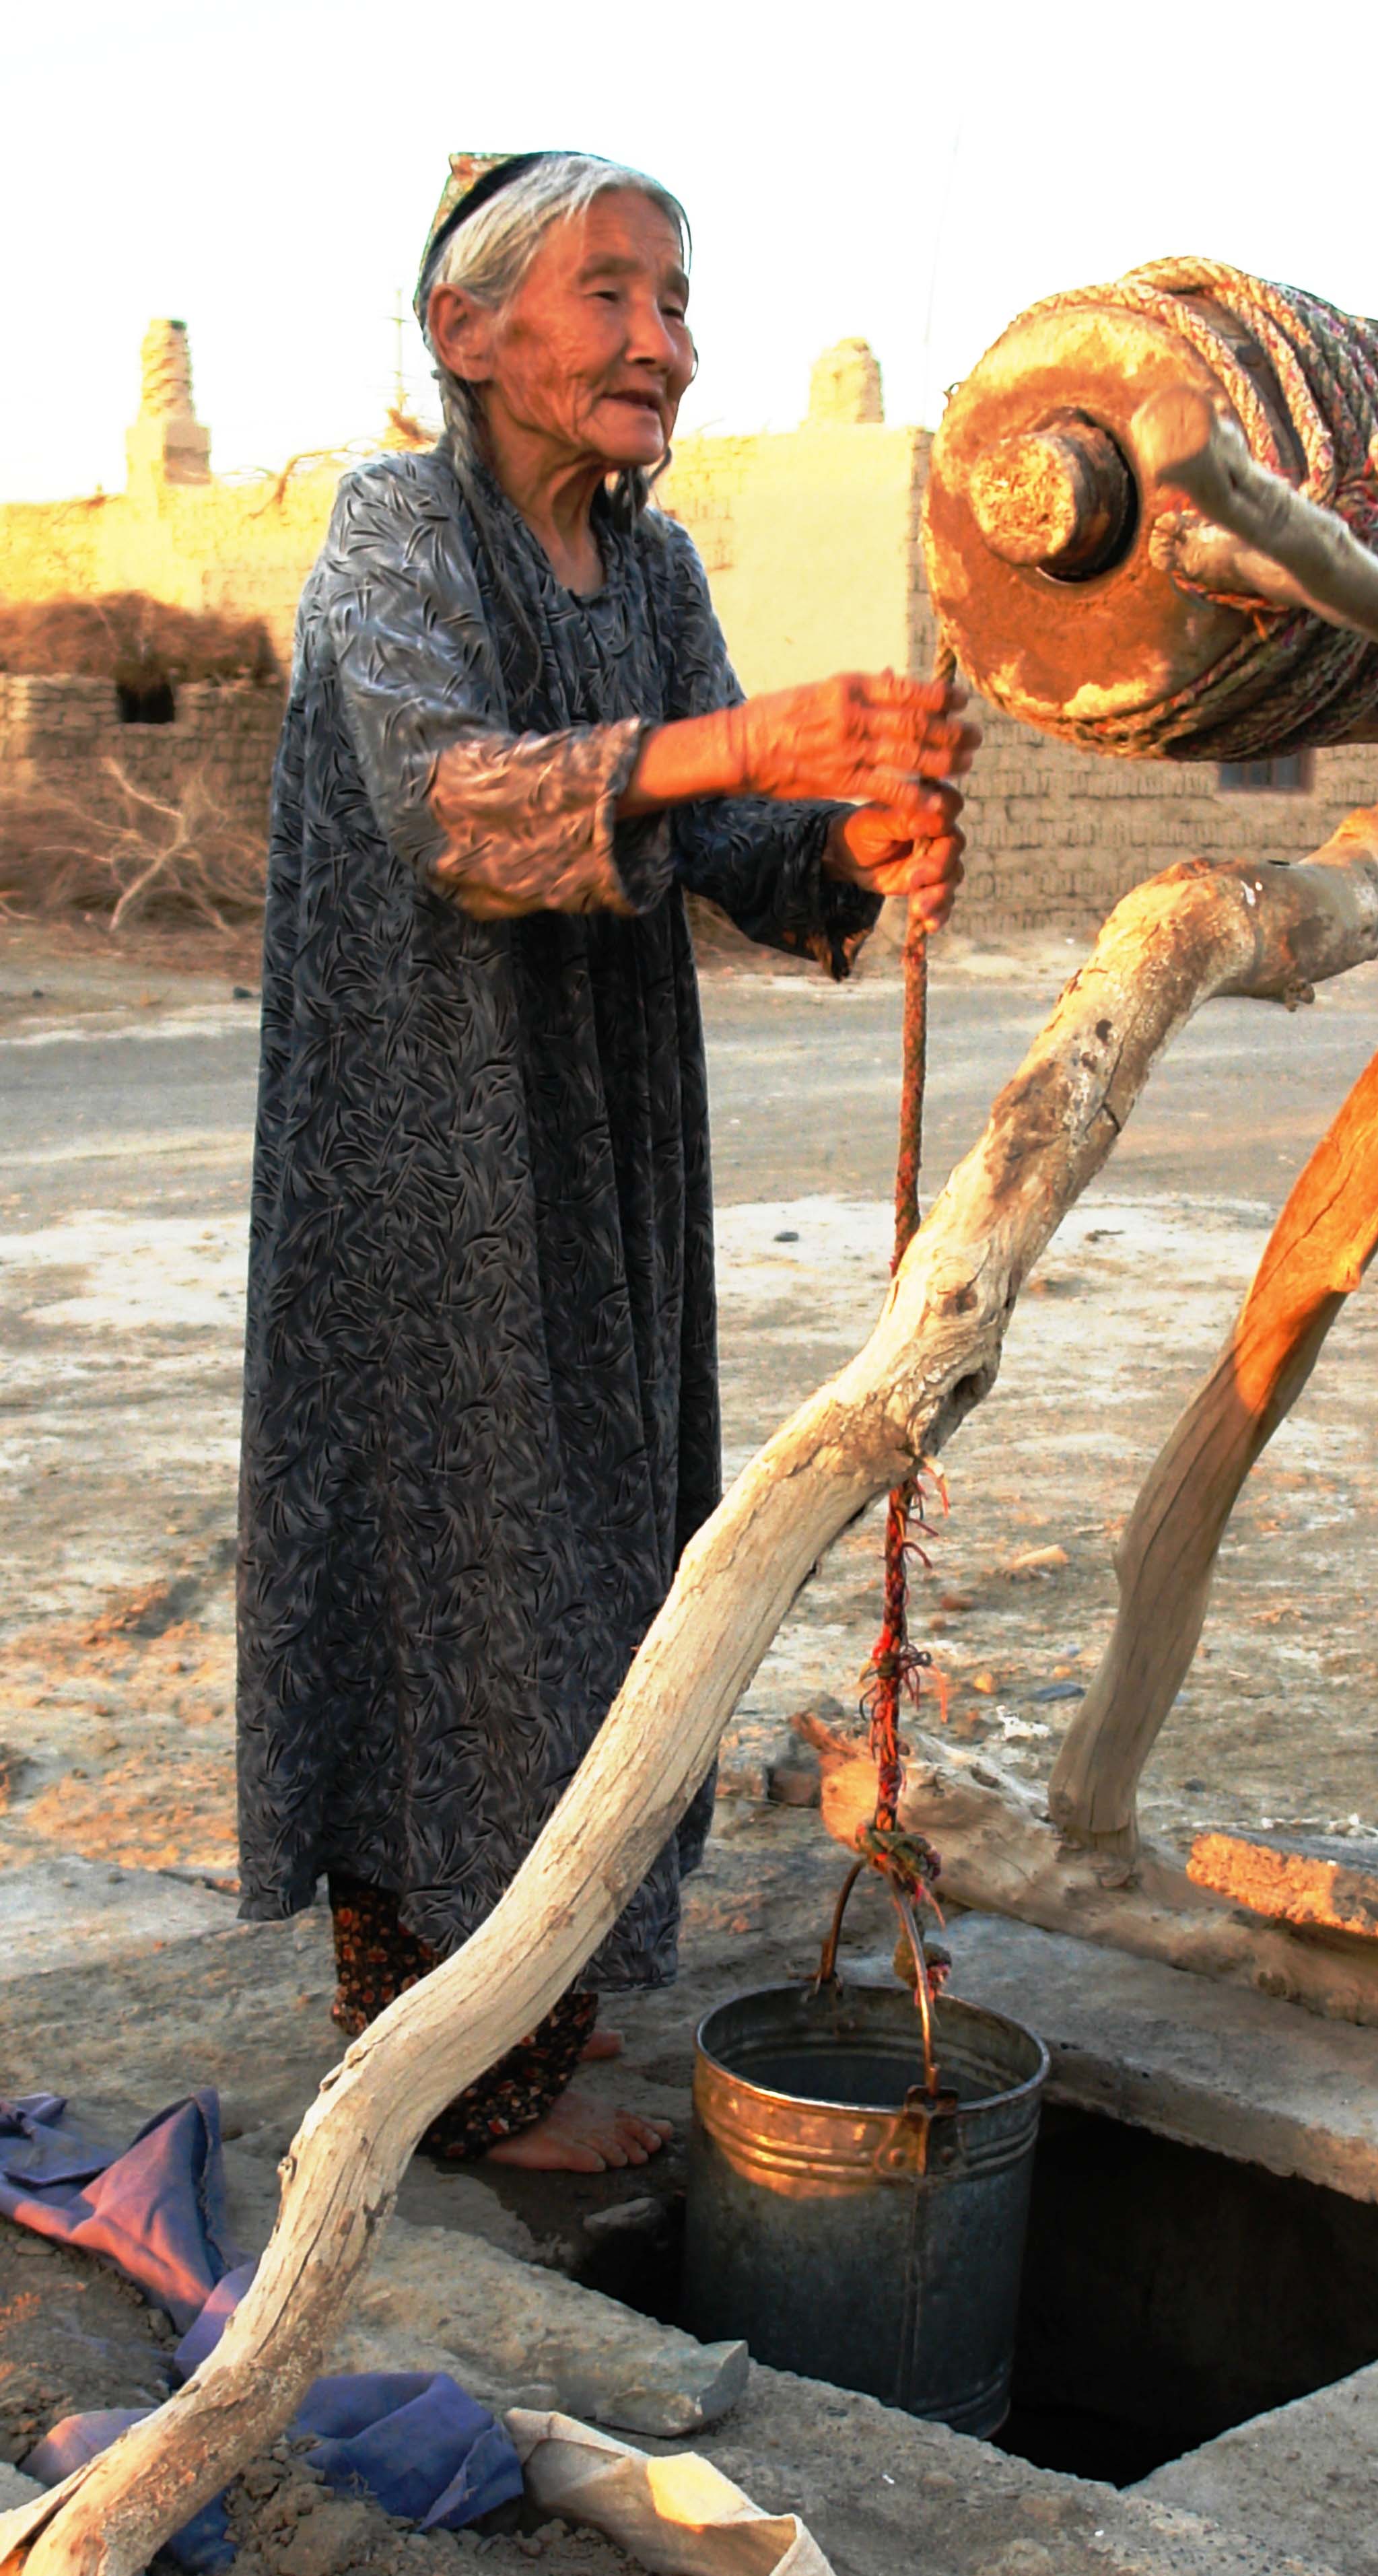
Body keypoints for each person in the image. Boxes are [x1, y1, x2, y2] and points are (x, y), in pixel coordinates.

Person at [235, 150, 977, 2171]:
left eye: (675, 299)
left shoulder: (649, 574)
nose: (661, 339)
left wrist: (849, 846)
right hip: (425, 1159)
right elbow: (454, 808)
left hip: (601, 1149)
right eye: (610, 295)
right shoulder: (396, 532)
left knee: (593, 1570)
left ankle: (513, 2043)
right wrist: (759, 748)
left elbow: (725, 841)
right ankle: (461, 2088)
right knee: (453, 1582)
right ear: (469, 336)